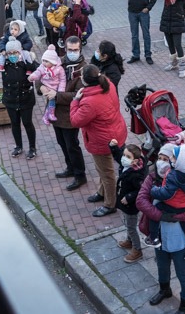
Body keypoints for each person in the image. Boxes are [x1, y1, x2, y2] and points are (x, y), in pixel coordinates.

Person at [137, 159, 185, 314]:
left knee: (182, 272)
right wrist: (161, 216)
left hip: (180, 239)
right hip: (159, 236)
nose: (162, 162)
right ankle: (164, 290)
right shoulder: (152, 178)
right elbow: (141, 201)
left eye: (166, 158)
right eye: (160, 157)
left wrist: (180, 216)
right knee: (162, 266)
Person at [70, 64, 128, 217]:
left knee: (107, 173)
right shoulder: (108, 85)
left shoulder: (89, 102)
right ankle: (102, 192)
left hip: (102, 140)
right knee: (103, 169)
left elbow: (75, 121)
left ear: (86, 80)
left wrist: (75, 101)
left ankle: (110, 204)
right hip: (116, 132)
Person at [44, 36, 89, 191]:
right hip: (54, 112)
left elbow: (78, 94)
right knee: (62, 142)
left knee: (72, 146)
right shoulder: (58, 61)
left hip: (71, 115)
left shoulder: (84, 69)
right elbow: (42, 74)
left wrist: (56, 95)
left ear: (80, 49)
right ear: (65, 49)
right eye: (70, 49)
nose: (72, 53)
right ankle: (70, 168)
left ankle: (80, 175)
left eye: (75, 50)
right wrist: (42, 88)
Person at [145, 144, 185, 261]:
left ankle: (153, 238)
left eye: (174, 157)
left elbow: (166, 193)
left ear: (181, 161)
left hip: (174, 205)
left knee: (156, 208)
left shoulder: (174, 175)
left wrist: (154, 190)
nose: (171, 159)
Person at [0, 38, 39, 158]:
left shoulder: (26, 62)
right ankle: (18, 146)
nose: (12, 55)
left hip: (26, 99)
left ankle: (32, 148)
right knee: (15, 123)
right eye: (10, 53)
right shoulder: (5, 64)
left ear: (19, 52)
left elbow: (39, 69)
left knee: (27, 123)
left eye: (15, 52)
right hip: (11, 100)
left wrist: (31, 62)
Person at [111, 140, 147, 263]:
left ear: (135, 160)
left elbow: (140, 190)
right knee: (127, 223)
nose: (124, 158)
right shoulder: (127, 165)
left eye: (127, 156)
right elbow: (118, 156)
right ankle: (129, 240)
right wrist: (114, 147)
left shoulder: (137, 175)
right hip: (124, 201)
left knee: (131, 227)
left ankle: (137, 250)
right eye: (124, 155)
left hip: (131, 205)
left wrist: (129, 197)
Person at [118, 0, 157, 64]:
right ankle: (136, 55)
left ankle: (148, 55)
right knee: (134, 35)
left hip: (143, 12)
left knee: (146, 34)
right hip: (132, 12)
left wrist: (148, 8)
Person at [157, 0, 185, 78]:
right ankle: (173, 62)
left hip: (177, 18)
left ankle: (182, 67)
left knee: (177, 44)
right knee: (170, 43)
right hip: (167, 18)